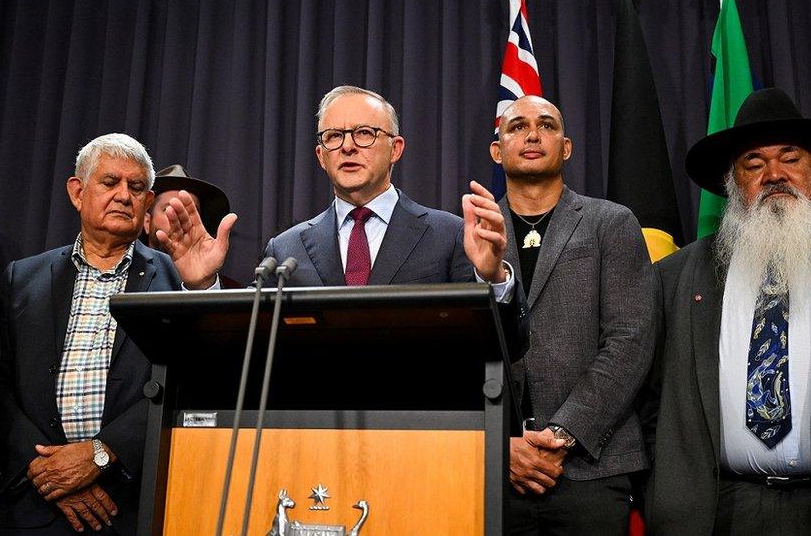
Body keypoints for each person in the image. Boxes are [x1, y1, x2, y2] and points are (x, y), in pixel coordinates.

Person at [0, 134, 208, 534]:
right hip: (32, 501)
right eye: (110, 183)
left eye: (137, 187)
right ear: (77, 192)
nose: (124, 195)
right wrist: (47, 471)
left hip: (128, 502)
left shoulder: (175, 278)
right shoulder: (22, 276)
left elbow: (191, 377)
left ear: (148, 202)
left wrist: (101, 455)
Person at [644, 88, 811, 534]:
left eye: (791, 158)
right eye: (754, 164)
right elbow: (647, 400)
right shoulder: (674, 278)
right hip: (715, 511)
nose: (774, 175)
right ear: (731, 181)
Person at [158, 85, 515, 295]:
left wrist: (492, 279)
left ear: (396, 148)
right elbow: (245, 347)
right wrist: (204, 286)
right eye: (334, 137)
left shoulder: (449, 235)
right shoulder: (284, 249)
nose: (347, 147)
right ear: (320, 156)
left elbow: (502, 348)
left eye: (364, 133)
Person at [490, 95, 654, 533]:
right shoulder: (472, 232)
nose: (531, 135)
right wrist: (500, 446)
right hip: (497, 470)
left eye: (546, 125)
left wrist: (561, 436)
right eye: (517, 127)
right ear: (497, 148)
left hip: (591, 468)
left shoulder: (612, 223)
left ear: (566, 147)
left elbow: (630, 341)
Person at [143, 164, 229, 252]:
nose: (182, 217)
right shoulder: (131, 264)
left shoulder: (209, 266)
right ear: (147, 222)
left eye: (191, 211)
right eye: (171, 209)